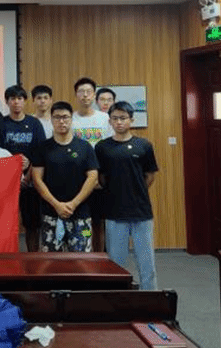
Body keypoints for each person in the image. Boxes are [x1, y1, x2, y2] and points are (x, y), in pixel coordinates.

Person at [95, 101, 159, 290]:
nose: (119, 122)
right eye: (115, 118)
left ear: (131, 120)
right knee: (116, 264)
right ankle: (119, 300)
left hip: (141, 212)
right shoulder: (102, 147)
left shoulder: (144, 145)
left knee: (147, 264)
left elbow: (150, 175)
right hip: (114, 212)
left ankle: (150, 299)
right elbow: (101, 177)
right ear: (110, 121)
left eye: (123, 118)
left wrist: (135, 190)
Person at [31, 101, 99, 252]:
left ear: (71, 119)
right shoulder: (42, 148)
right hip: (51, 215)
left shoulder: (85, 147)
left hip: (82, 216)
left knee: (84, 259)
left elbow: (93, 178)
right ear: (51, 119)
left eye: (65, 117)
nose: (61, 121)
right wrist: (57, 205)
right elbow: (37, 179)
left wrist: (73, 204)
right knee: (51, 261)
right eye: (57, 117)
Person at [0, 85, 46, 251]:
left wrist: (28, 174)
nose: (16, 102)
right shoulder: (1, 124)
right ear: (7, 102)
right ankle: (7, 256)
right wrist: (14, 171)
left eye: (19, 98)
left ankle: (33, 258)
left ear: (25, 101)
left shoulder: (34, 123)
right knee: (6, 223)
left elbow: (40, 154)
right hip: (6, 183)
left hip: (30, 182)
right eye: (12, 99)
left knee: (32, 224)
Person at [72, 77, 113, 252]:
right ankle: (83, 256)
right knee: (80, 221)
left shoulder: (105, 118)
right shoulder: (70, 118)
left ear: (94, 95)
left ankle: (100, 257)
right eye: (81, 92)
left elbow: (111, 147)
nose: (85, 95)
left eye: (88, 92)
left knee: (99, 222)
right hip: (76, 178)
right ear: (76, 95)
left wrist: (101, 177)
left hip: (99, 180)